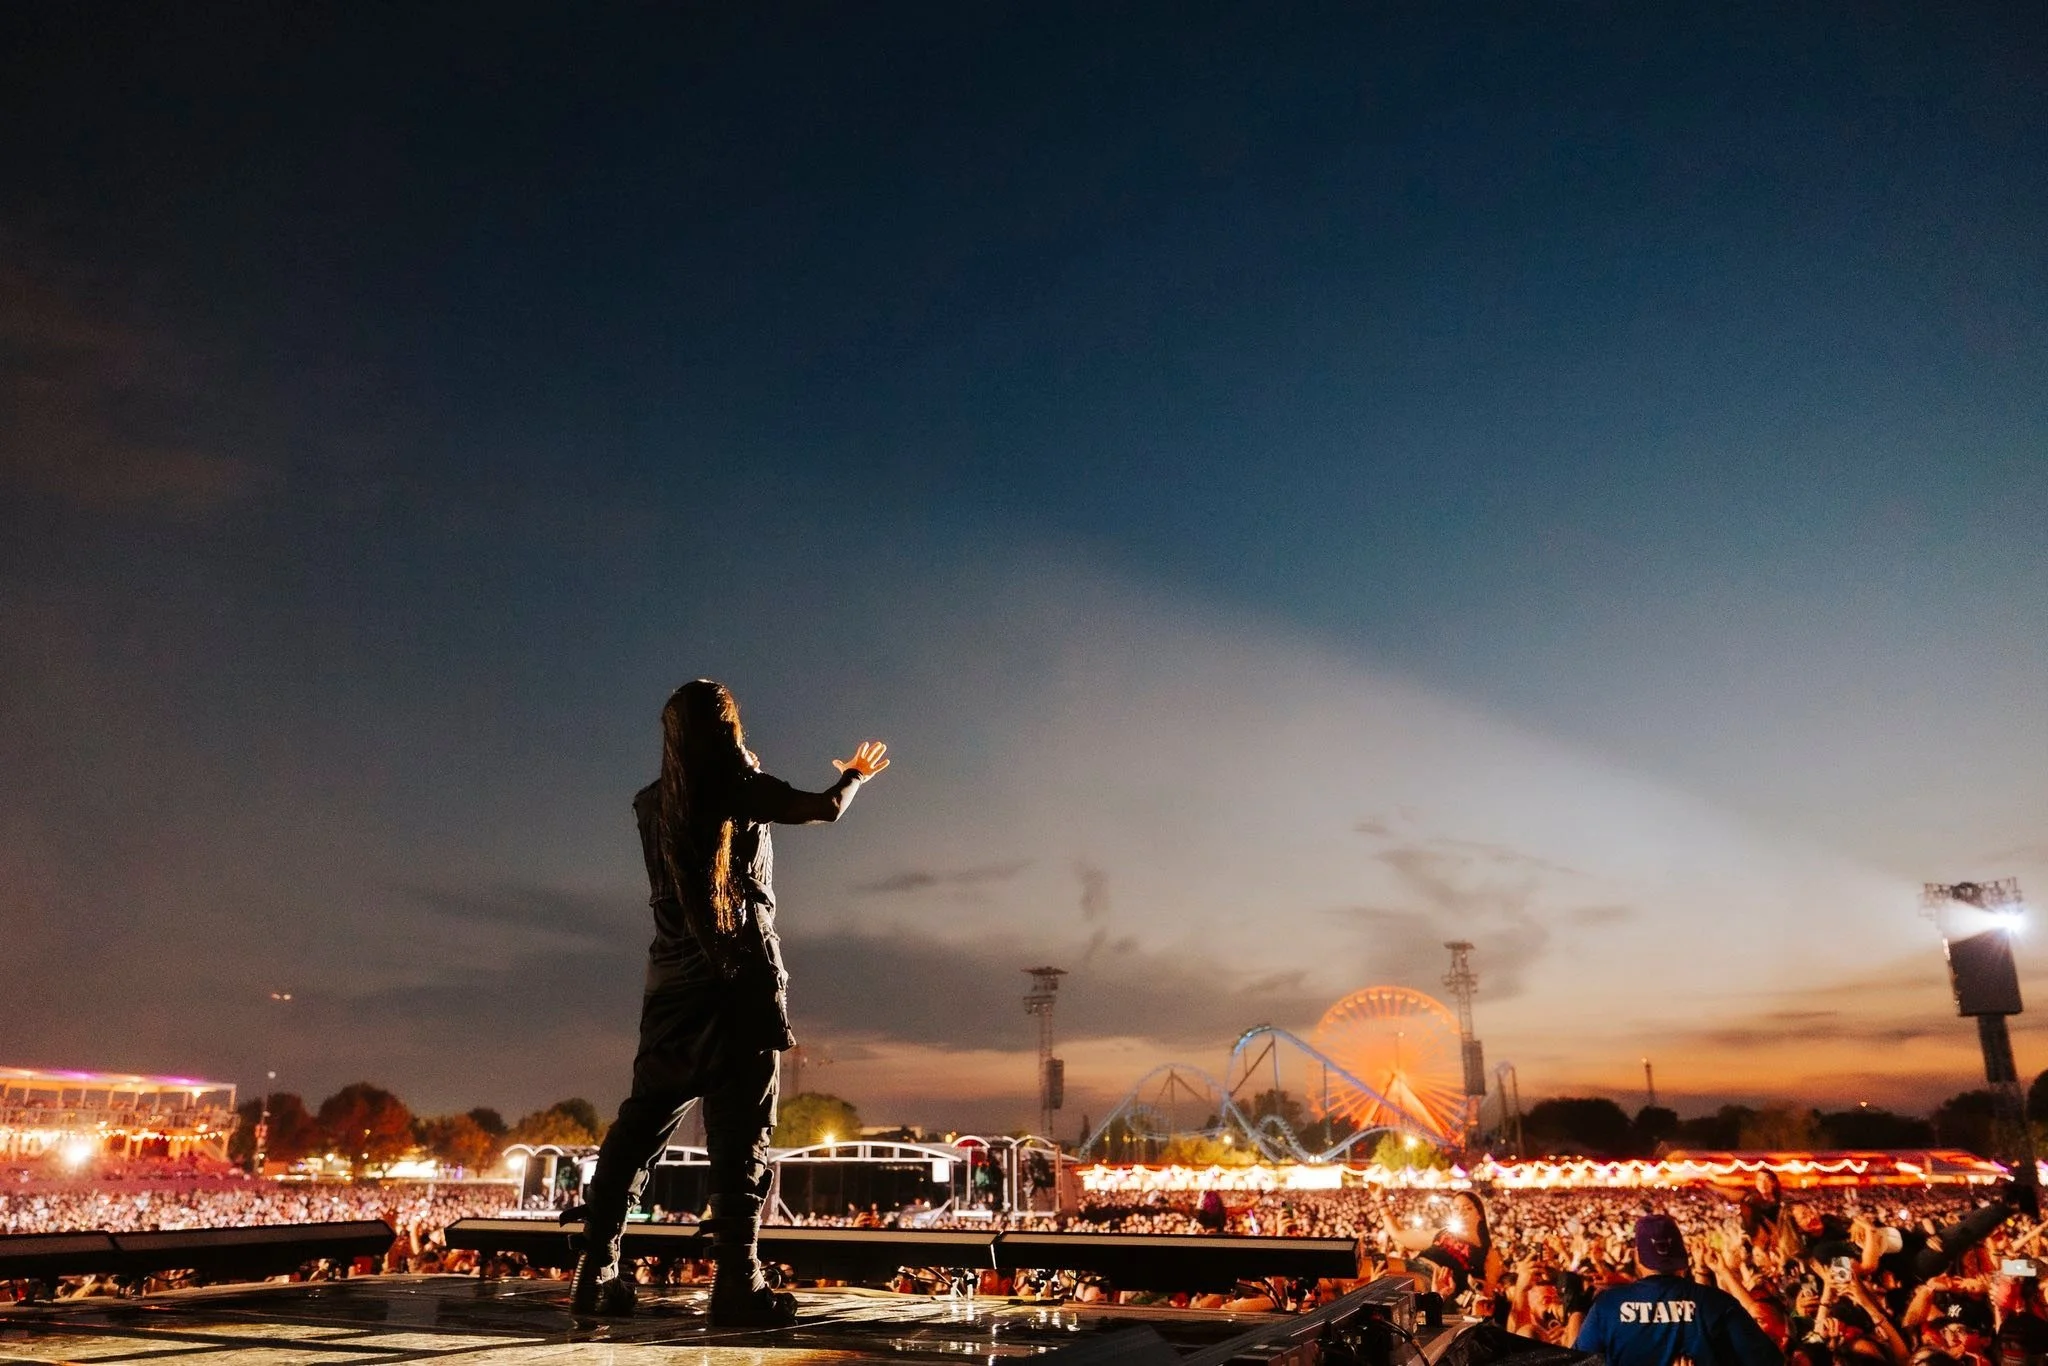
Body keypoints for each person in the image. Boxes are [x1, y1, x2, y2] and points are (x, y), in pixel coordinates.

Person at [568, 680, 890, 1324]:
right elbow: (824, 808)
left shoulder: (647, 804)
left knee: (637, 1129)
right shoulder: (740, 787)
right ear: (727, 729)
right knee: (742, 1136)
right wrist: (854, 774)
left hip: (669, 988)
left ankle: (594, 1269)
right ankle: (736, 1283)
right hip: (738, 979)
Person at [1574, 1213, 1785, 1366]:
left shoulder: (1608, 1306)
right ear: (1683, 1257)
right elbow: (1768, 1361)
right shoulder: (1718, 1303)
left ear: (1637, 1257)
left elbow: (1577, 1363)